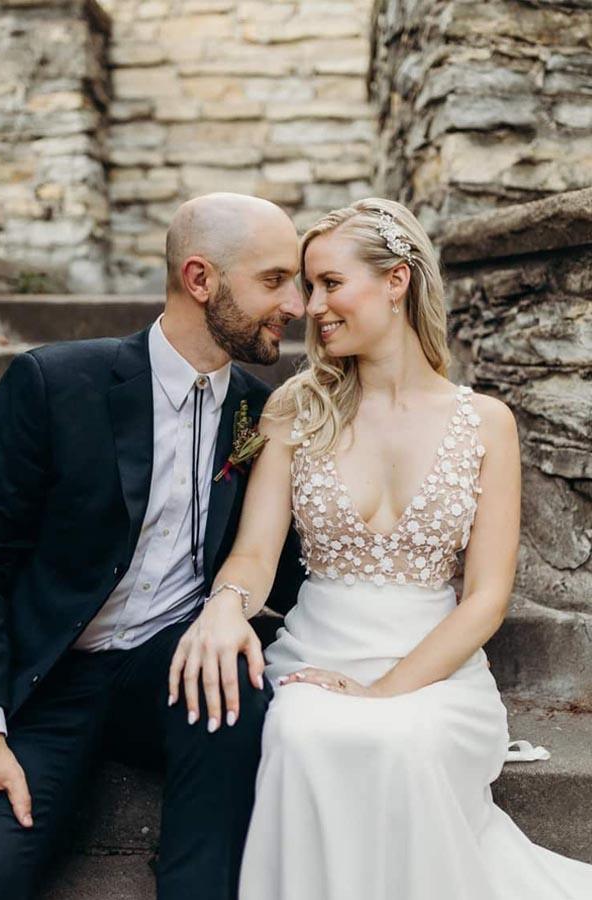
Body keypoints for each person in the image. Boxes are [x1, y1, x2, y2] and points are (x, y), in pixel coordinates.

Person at [172, 198, 592, 899]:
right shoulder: (294, 412)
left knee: (407, 741)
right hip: (316, 660)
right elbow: (253, 554)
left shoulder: (487, 423)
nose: (310, 307)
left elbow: (487, 597)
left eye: (330, 284)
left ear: (397, 280)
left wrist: (386, 691)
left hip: (436, 669)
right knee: (305, 735)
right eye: (308, 287)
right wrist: (223, 607)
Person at [0, 192, 305, 900]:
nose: (298, 305)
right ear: (201, 280)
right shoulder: (54, 383)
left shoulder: (260, 411)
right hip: (47, 683)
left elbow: (279, 564)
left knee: (240, 688)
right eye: (275, 280)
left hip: (175, 665)